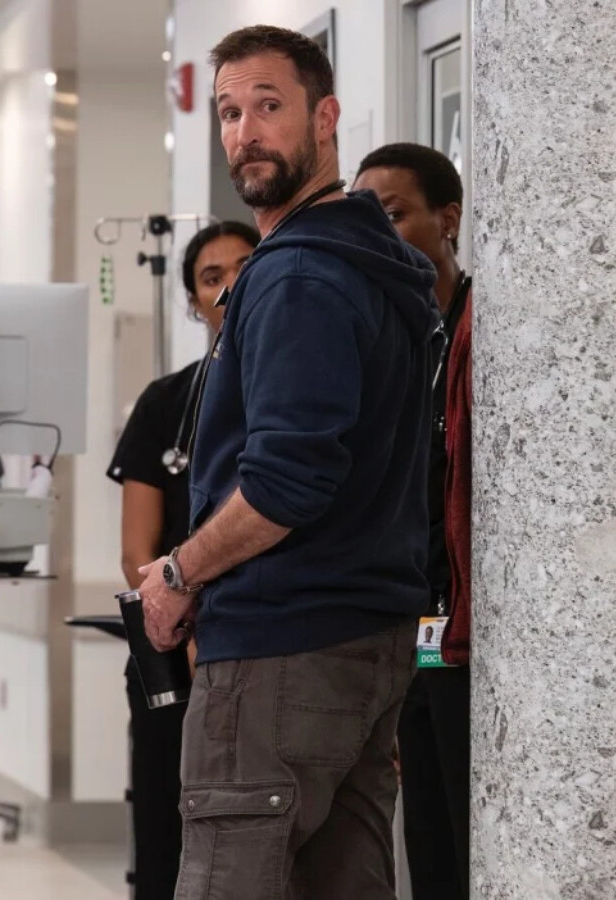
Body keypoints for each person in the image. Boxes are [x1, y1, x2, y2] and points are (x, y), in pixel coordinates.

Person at [136, 26, 440, 899]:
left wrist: (178, 572)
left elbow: (284, 485)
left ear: (326, 116)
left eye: (268, 106)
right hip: (367, 640)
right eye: (229, 112)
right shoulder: (376, 264)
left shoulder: (298, 276)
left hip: (282, 646)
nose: (245, 133)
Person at [105, 219, 258, 897]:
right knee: (168, 833)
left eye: (243, 269)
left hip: (266, 641)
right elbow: (136, 552)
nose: (228, 288)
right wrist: (187, 618)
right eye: (210, 278)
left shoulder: (292, 390)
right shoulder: (165, 404)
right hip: (172, 644)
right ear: (193, 302)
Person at [355, 142, 473, 900]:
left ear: (447, 219)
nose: (379, 233)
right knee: (424, 835)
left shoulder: (476, 330)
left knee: (471, 835)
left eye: (394, 214)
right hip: (413, 629)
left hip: (471, 631)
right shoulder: (389, 342)